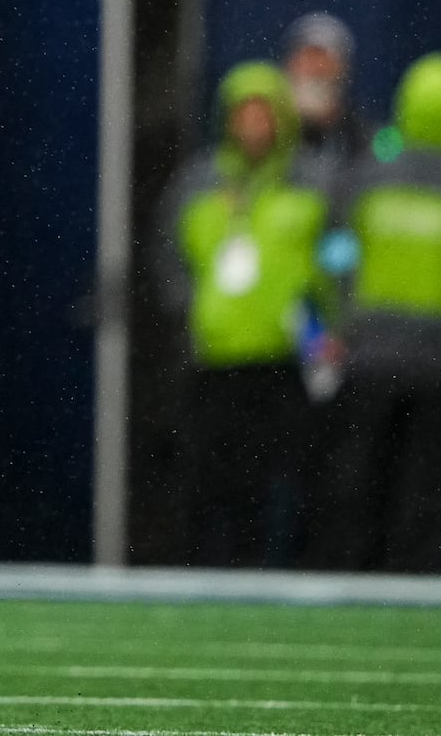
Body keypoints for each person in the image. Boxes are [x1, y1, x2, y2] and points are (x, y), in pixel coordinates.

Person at [153, 60, 334, 567]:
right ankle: (201, 575)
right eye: (244, 114)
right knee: (208, 480)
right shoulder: (199, 183)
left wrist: (328, 325)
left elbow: (336, 259)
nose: (254, 126)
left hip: (282, 362)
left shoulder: (311, 184)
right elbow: (167, 253)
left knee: (279, 483)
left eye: (264, 114)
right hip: (213, 361)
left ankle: (273, 576)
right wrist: (192, 310)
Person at [307, 53, 441, 572]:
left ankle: (358, 592)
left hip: (370, 357)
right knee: (425, 490)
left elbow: (333, 257)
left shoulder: (367, 175)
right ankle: (412, 591)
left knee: (362, 483)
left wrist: (333, 328)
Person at [283, 12, 373, 176]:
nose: (316, 69)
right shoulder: (269, 133)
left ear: (344, 70)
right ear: (290, 65)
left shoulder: (362, 138)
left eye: (324, 59)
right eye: (307, 58)